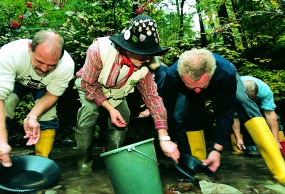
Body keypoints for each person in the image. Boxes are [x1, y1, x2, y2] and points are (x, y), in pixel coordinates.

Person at [161, 48, 285, 185]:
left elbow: (226, 112)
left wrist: (217, 149)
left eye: (201, 86)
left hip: (224, 83)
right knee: (189, 114)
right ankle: (198, 164)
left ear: (211, 74)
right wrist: (166, 138)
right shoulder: (172, 75)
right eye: (191, 87)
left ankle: (280, 168)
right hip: (191, 93)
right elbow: (165, 107)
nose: (197, 91)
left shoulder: (226, 72)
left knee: (242, 102)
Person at [74, 14, 180, 171]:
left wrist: (164, 137)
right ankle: (84, 165)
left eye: (149, 53)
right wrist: (110, 109)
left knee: (124, 115)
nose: (146, 58)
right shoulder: (98, 51)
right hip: (90, 85)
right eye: (140, 51)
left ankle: (112, 164)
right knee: (89, 113)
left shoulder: (146, 65)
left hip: (117, 93)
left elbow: (153, 99)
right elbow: (89, 85)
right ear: (126, 47)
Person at [0, 30, 75, 167]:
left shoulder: (66, 65)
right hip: (17, 81)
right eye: (39, 61)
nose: (44, 69)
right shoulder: (9, 54)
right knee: (6, 105)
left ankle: (42, 164)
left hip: (45, 87)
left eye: (52, 65)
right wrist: (2, 141)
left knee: (48, 116)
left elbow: (53, 94)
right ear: (30, 48)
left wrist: (32, 117)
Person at [231, 76, 284, 155]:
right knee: (234, 118)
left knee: (275, 119)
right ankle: (239, 146)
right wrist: (238, 138)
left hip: (259, 100)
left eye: (252, 97)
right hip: (238, 100)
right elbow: (234, 117)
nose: (251, 100)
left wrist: (275, 140)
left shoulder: (264, 90)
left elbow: (270, 116)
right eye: (249, 98)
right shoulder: (232, 92)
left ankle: (279, 145)